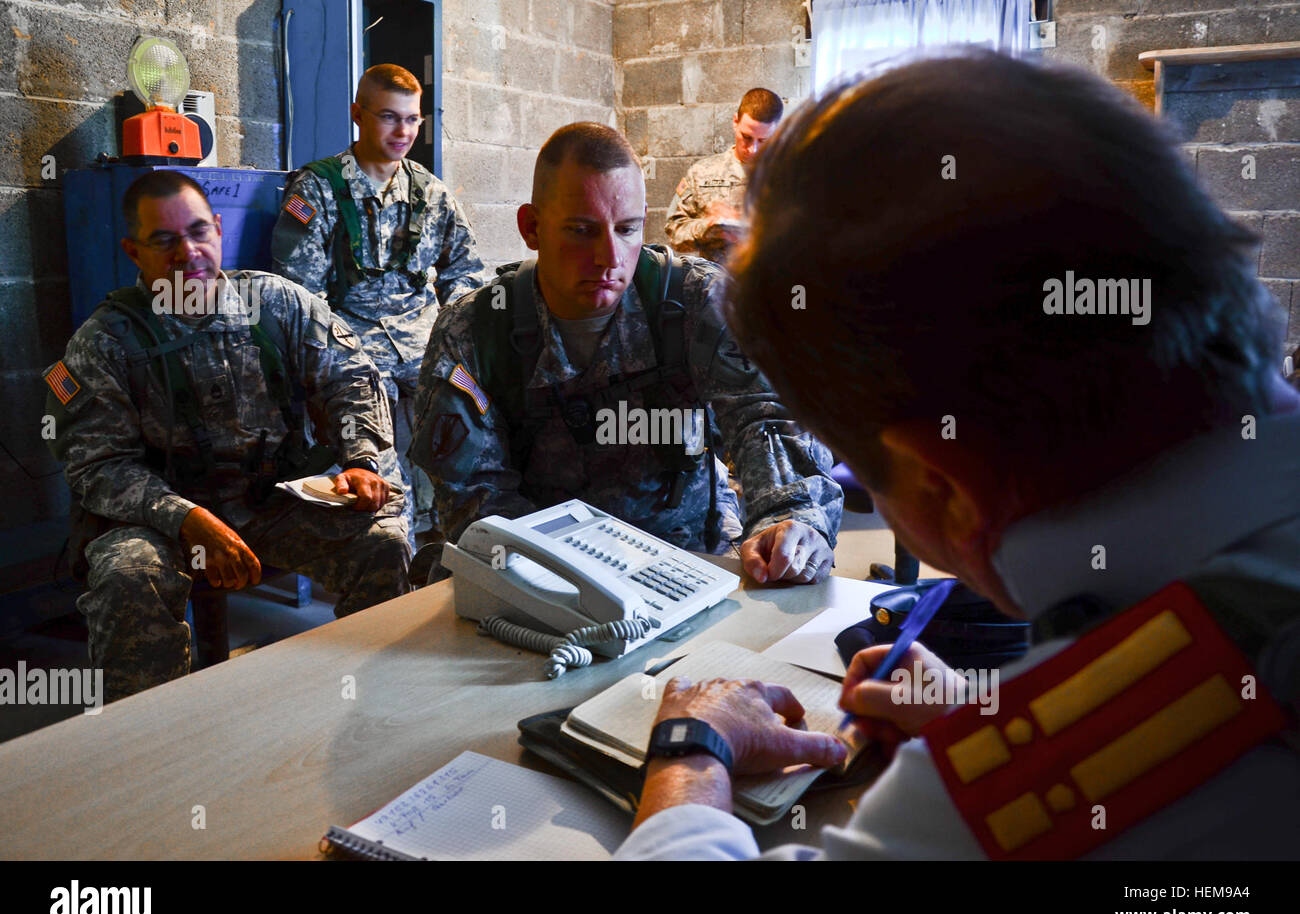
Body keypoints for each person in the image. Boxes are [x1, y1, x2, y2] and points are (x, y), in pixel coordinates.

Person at [614, 51, 1300, 860]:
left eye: (865, 471)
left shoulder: (1013, 794)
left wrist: (692, 752)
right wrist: (993, 702)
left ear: (944, 488)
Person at [408, 123, 843, 586]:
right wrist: (572, 585)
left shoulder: (697, 301)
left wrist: (789, 517)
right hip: (543, 574)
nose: (609, 257)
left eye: (627, 229)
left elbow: (767, 415)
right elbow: (478, 498)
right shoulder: (476, 329)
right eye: (581, 231)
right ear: (531, 227)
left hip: (692, 556)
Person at [45, 170, 411, 702]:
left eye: (198, 232)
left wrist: (362, 460)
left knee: (384, 540)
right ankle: (152, 739)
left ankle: (368, 703)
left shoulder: (278, 304)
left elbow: (350, 381)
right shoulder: (103, 343)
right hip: (160, 521)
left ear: (218, 229)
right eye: (164, 240)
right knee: (127, 577)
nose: (187, 252)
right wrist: (185, 517)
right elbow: (98, 467)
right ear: (133, 251)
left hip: (273, 504)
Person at [272, 63, 485, 544]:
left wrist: (465, 347)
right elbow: (300, 296)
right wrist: (336, 359)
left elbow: (466, 275)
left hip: (425, 342)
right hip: (353, 347)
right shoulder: (317, 189)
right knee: (383, 465)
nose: (403, 131)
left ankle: (470, 553)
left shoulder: (432, 192)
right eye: (390, 117)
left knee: (476, 421)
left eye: (412, 120)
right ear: (357, 115)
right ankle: (399, 570)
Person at [664, 88, 782, 265]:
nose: (753, 149)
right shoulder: (703, 172)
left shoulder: (790, 176)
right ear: (735, 121)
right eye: (746, 137)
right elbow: (674, 231)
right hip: (715, 287)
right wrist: (709, 227)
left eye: (763, 141)